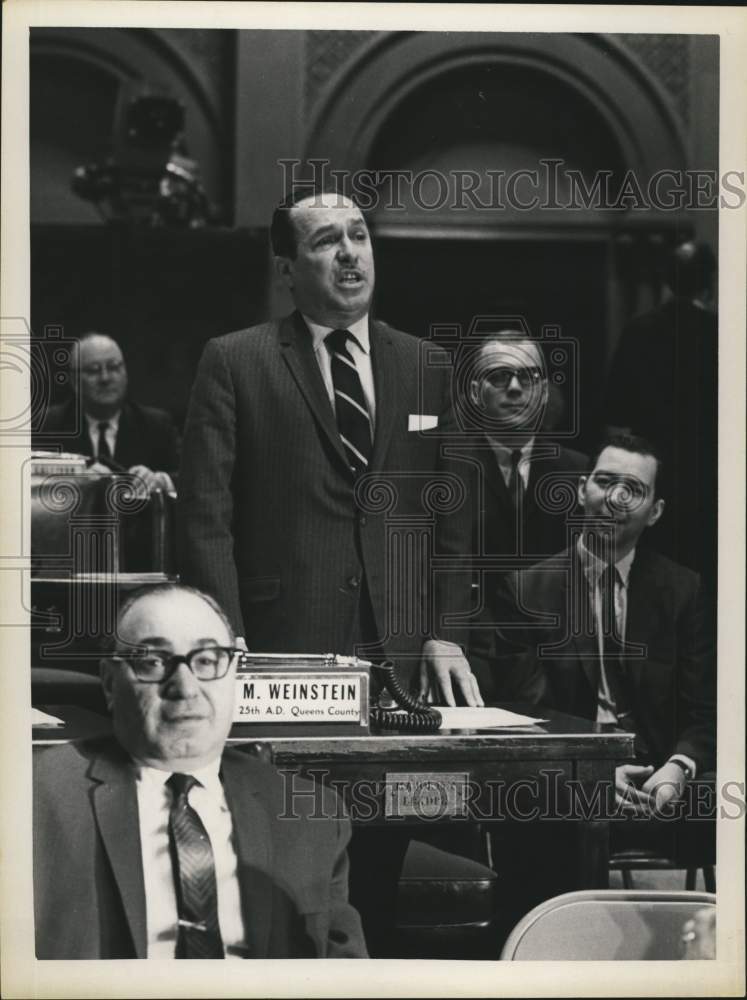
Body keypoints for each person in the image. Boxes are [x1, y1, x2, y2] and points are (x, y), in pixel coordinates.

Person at [177, 188, 480, 955]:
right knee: (285, 867)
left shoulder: (427, 365)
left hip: (400, 665)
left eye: (358, 236)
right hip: (281, 656)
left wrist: (446, 632)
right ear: (287, 268)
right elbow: (205, 518)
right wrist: (227, 645)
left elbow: (452, 523)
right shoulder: (234, 360)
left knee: (377, 866)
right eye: (324, 242)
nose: (349, 254)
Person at [33, 583, 367, 960]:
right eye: (153, 662)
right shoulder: (33, 801)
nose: (185, 687)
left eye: (207, 661)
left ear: (234, 674)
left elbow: (345, 974)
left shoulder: (310, 814)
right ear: (111, 683)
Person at [491, 434, 716, 920]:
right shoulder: (527, 590)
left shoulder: (683, 591)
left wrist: (677, 769)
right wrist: (589, 773)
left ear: (654, 512)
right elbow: (524, 714)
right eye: (605, 481)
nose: (615, 498)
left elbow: (705, 710)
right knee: (533, 803)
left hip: (661, 771)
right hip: (567, 771)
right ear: (581, 490)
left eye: (633, 489)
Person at [463, 331, 587, 700]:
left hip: (559, 667)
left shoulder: (579, 473)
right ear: (475, 392)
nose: (515, 388)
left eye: (528, 377)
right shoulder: (446, 469)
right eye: (499, 376)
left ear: (544, 391)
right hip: (468, 660)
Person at [604, 240, 717, 587]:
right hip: (710, 477)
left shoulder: (639, 331)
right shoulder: (721, 332)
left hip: (653, 476)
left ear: (667, 280)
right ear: (710, 283)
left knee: (654, 582)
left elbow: (615, 416)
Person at [35, 331, 180, 493]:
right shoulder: (48, 424)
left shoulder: (156, 425)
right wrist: (73, 483)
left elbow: (188, 477)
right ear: (75, 381)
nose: (105, 378)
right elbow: (26, 483)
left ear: (125, 374)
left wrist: (160, 480)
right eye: (93, 370)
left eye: (113, 367)